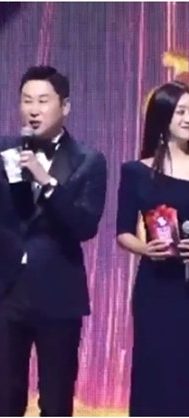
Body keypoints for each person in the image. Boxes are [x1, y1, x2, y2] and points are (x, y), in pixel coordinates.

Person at [116, 81, 189, 416]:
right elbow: (122, 232)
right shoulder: (135, 171)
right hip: (154, 285)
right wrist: (146, 249)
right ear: (162, 116)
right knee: (154, 365)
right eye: (180, 111)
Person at [0, 65, 108, 416]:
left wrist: (46, 182)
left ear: (65, 106)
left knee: (57, 400)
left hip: (58, 295)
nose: (33, 109)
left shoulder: (89, 161)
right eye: (26, 100)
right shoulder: (4, 151)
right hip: (7, 293)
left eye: (43, 101)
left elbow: (85, 226)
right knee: (4, 398)